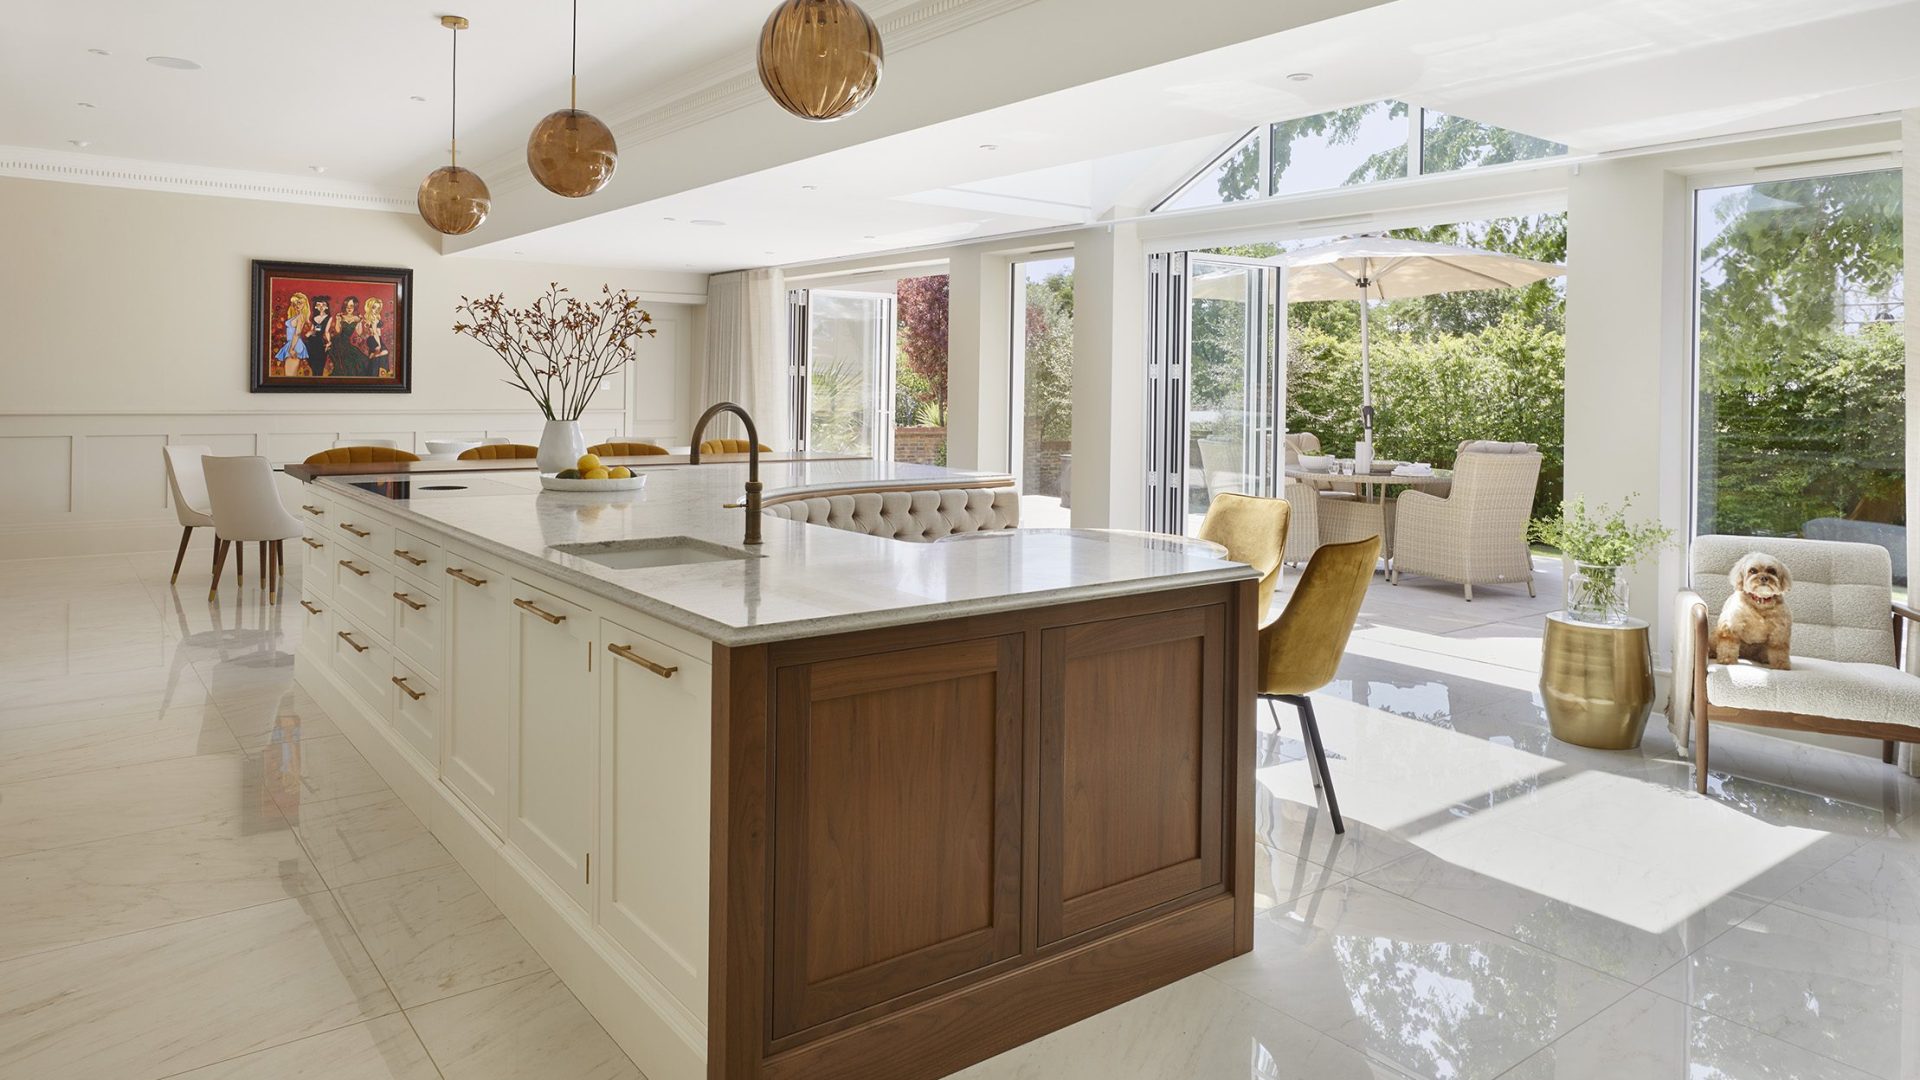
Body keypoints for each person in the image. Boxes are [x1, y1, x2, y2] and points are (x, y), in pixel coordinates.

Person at [273, 293, 311, 376]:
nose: (296, 305)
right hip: (291, 344)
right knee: (289, 374)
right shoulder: (297, 315)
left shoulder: (301, 316)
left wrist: (291, 349)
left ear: (305, 304)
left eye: (299, 303)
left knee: (290, 375)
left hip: (295, 345)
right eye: (295, 302)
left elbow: (297, 334)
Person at [327, 295, 366, 377]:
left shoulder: (356, 318)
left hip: (347, 342)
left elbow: (359, 333)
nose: (349, 308)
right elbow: (337, 331)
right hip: (338, 341)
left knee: (361, 359)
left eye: (351, 306)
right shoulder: (341, 316)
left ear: (355, 306)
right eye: (347, 306)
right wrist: (338, 320)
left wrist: (360, 322)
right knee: (345, 359)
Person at [358, 296, 391, 378]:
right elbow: (375, 332)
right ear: (369, 307)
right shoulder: (373, 319)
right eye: (373, 307)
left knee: (380, 355)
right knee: (385, 351)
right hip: (374, 339)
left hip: (374, 339)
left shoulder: (374, 317)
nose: (376, 310)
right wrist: (379, 344)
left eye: (378, 308)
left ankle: (373, 369)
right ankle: (373, 357)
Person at [300, 295, 332, 377]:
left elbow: (326, 331)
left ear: (327, 307)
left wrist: (328, 342)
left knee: (320, 363)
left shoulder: (329, 318)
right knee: (312, 362)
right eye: (319, 305)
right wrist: (308, 334)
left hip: (321, 342)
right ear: (316, 307)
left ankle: (319, 377)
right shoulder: (314, 317)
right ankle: (314, 377)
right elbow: (312, 329)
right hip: (312, 341)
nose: (321, 307)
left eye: (323, 305)